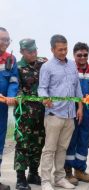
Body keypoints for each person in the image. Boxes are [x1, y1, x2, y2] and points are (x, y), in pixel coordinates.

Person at [38, 34, 83, 190]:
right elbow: (42, 88)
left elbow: (77, 87)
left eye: (65, 49)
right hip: (54, 114)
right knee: (49, 148)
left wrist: (80, 107)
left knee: (62, 148)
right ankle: (45, 180)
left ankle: (59, 178)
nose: (63, 52)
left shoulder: (72, 65)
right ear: (52, 49)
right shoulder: (47, 67)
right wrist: (45, 98)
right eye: (60, 50)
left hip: (70, 115)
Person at [14, 39, 47, 190]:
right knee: (23, 144)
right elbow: (15, 87)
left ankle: (33, 173)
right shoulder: (18, 67)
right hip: (25, 113)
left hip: (41, 112)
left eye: (35, 50)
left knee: (38, 143)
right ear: (22, 52)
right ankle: (20, 178)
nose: (34, 54)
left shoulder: (43, 62)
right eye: (30, 52)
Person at [64, 42, 89, 185]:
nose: (83, 58)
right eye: (79, 55)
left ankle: (80, 171)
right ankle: (67, 172)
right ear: (74, 55)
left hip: (88, 112)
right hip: (71, 111)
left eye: (85, 55)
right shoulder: (69, 69)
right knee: (70, 140)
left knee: (84, 140)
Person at [0, 27, 18, 190]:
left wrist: (11, 96)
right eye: (2, 39)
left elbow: (13, 81)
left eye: (7, 40)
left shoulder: (11, 59)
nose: (5, 43)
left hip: (2, 108)